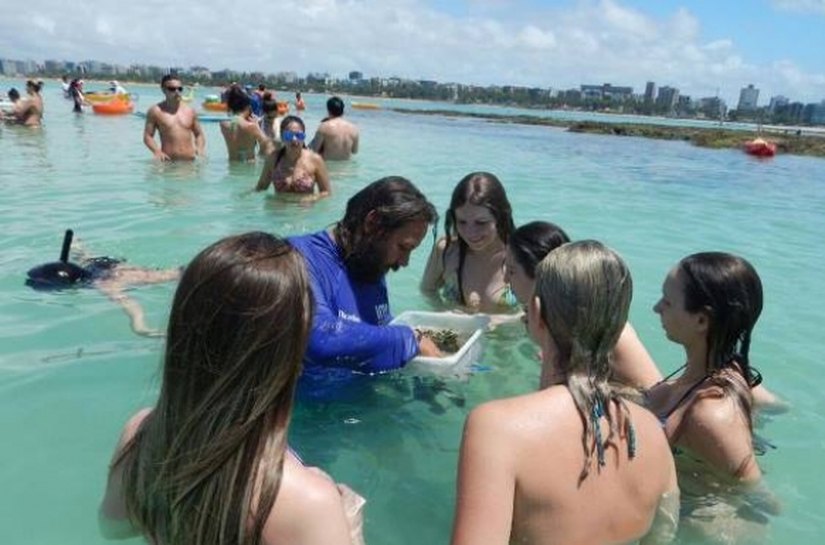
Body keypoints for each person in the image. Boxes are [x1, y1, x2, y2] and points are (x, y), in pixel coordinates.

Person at [98, 232, 365, 545]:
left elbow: (113, 529)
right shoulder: (307, 499)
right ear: (292, 347)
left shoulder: (142, 434)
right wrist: (350, 528)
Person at [451, 240, 679, 545]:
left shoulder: (497, 428)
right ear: (618, 324)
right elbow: (664, 534)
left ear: (536, 312)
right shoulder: (653, 432)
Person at [288, 176, 442, 373]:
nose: (404, 262)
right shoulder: (297, 259)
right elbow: (319, 338)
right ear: (373, 223)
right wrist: (410, 340)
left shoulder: (368, 261)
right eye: (403, 247)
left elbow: (377, 328)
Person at [646, 252, 770, 483]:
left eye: (667, 301)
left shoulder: (710, 413)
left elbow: (755, 494)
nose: (656, 308)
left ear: (702, 321)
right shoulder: (718, 374)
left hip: (700, 514)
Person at [505, 221, 664, 390]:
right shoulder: (546, 322)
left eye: (512, 271)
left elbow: (657, 394)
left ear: (540, 274)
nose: (506, 279)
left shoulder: (613, 332)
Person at [25, 230, 181, 337]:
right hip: (99, 265)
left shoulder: (105, 285)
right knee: (85, 258)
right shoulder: (85, 274)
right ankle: (77, 246)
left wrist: (139, 326)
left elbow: (130, 304)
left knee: (173, 274)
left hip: (113, 274)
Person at [421, 172, 518, 314]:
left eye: (481, 223)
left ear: (501, 217)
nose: (470, 233)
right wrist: (445, 310)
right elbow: (427, 292)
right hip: (457, 334)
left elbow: (546, 311)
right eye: (462, 222)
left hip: (508, 337)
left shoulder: (523, 256)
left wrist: (502, 321)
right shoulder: (446, 251)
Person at [256, 116, 330, 201]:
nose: (294, 140)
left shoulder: (315, 160)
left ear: (304, 136)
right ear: (282, 136)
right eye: (289, 135)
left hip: (303, 212)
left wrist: (312, 198)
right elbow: (261, 187)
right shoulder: (273, 159)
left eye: (299, 135)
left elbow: (326, 192)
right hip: (277, 211)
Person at [143, 74, 205, 161]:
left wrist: (200, 148)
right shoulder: (155, 111)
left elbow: (199, 134)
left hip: (190, 163)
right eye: (172, 89)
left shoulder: (190, 111)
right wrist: (157, 151)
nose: (177, 92)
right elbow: (148, 136)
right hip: (168, 162)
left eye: (179, 89)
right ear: (163, 90)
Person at [219, 85, 273, 161]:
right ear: (248, 107)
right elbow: (267, 144)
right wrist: (257, 126)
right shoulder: (251, 126)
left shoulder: (223, 125)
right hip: (249, 166)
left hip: (232, 167)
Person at [309, 96, 359, 161]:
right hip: (347, 169)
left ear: (328, 110)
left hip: (327, 168)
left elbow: (314, 150)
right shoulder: (354, 129)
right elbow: (354, 151)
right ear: (342, 110)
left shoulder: (324, 127)